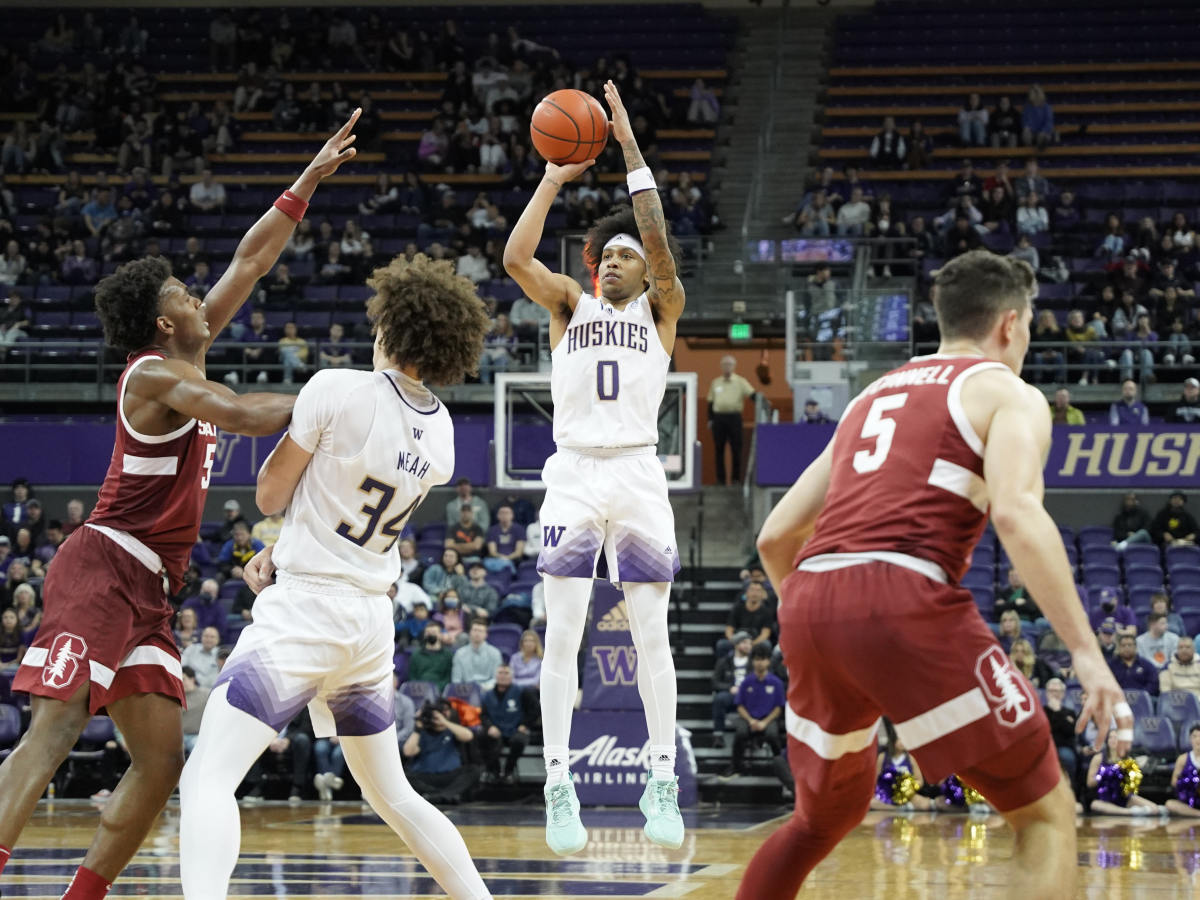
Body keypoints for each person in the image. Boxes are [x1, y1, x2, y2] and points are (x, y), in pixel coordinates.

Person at [0, 111, 361, 900]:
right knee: (55, 731)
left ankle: (81, 897)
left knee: (164, 764)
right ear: (166, 322)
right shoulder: (155, 377)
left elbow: (250, 260)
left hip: (151, 591)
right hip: (103, 566)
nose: (201, 296)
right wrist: (343, 399)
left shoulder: (186, 351)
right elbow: (234, 412)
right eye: (184, 294)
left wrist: (306, 180)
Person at [739, 251, 1130, 899]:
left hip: (808, 601)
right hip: (899, 594)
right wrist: (1087, 656)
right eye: (1029, 326)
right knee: (1045, 815)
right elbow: (1014, 510)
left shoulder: (872, 395)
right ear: (1010, 325)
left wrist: (824, 624)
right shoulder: (1010, 393)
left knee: (820, 820)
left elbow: (775, 535)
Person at [177, 250, 493, 900]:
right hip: (369, 623)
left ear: (390, 325)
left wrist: (287, 540)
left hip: (306, 613)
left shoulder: (335, 388)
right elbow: (348, 502)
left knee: (206, 777)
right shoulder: (443, 436)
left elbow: (269, 496)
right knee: (393, 796)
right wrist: (291, 545)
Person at [503, 79, 686, 855]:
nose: (612, 262)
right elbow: (515, 256)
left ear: (646, 273)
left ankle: (661, 780)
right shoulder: (568, 305)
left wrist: (630, 148)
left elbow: (658, 236)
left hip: (640, 474)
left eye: (624, 256)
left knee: (653, 635)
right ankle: (558, 782)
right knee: (563, 633)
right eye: (606, 255)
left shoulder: (663, 306)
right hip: (573, 474)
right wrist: (553, 175)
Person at [403, 698, 481, 806]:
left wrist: (444, 722)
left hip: (450, 775)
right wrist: (418, 728)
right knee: (404, 776)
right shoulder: (421, 732)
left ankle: (437, 796)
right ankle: (441, 795)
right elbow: (408, 752)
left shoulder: (452, 729)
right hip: (425, 776)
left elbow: (468, 736)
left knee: (474, 770)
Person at [727, 644, 785, 776]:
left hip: (768, 719)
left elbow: (778, 708)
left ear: (769, 661)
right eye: (757, 659)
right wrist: (751, 720)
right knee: (740, 733)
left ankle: (782, 767)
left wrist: (764, 722)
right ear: (752, 661)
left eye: (763, 659)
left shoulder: (776, 683)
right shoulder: (746, 682)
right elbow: (740, 705)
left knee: (772, 735)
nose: (760, 663)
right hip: (748, 719)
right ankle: (736, 767)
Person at [707, 355, 757, 486]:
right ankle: (721, 480)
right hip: (719, 419)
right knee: (719, 449)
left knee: (736, 449)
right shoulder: (715, 382)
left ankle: (736, 480)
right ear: (721, 366)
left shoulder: (741, 382)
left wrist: (764, 403)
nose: (727, 367)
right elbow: (710, 403)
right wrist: (710, 420)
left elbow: (753, 395)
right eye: (725, 364)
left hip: (734, 418)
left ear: (734, 367)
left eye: (729, 364)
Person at [1085, 729, 1160, 816]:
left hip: (1123, 797)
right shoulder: (1098, 758)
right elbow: (1089, 783)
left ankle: (1130, 811)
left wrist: (1127, 776)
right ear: (1107, 740)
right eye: (1110, 738)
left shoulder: (1128, 759)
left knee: (1154, 809)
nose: (1113, 740)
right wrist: (1107, 774)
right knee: (1095, 805)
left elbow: (1132, 788)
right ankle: (1129, 812)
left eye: (1116, 738)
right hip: (1103, 798)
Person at [480, 663, 532, 784]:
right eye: (500, 673)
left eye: (506, 673)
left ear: (512, 676)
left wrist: (525, 724)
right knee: (482, 737)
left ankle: (509, 770)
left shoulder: (522, 691)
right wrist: (490, 727)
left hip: (516, 730)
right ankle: (494, 771)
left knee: (519, 741)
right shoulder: (487, 695)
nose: (503, 676)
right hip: (496, 731)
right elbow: (483, 715)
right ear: (495, 676)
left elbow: (534, 710)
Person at [711, 632, 753, 749]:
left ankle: (753, 737)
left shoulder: (754, 662)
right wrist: (729, 688)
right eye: (744, 643)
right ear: (736, 644)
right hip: (732, 694)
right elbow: (715, 682)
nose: (748, 646)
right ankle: (718, 735)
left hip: (749, 694)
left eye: (750, 643)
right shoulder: (724, 661)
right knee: (719, 699)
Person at [451, 618, 503, 690]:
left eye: (480, 631)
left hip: (488, 691)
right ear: (470, 632)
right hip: (466, 691)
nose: (477, 633)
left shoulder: (495, 653)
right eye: (475, 630)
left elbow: (496, 679)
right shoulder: (459, 654)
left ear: (486, 634)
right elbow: (456, 680)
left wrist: (483, 688)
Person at [409, 621, 456, 692]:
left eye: (434, 632)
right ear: (424, 635)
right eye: (428, 632)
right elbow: (412, 677)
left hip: (441, 692)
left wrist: (436, 689)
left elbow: (448, 678)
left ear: (440, 635)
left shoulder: (448, 655)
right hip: (420, 691)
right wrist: (421, 688)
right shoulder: (416, 655)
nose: (430, 634)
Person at [485, 505, 524, 574]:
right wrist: (503, 558)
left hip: (514, 560)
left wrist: (507, 558)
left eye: (507, 513)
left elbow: (519, 552)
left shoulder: (519, 529)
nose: (504, 515)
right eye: (502, 513)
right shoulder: (492, 530)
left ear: (512, 515)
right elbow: (492, 551)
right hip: (497, 560)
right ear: (498, 516)